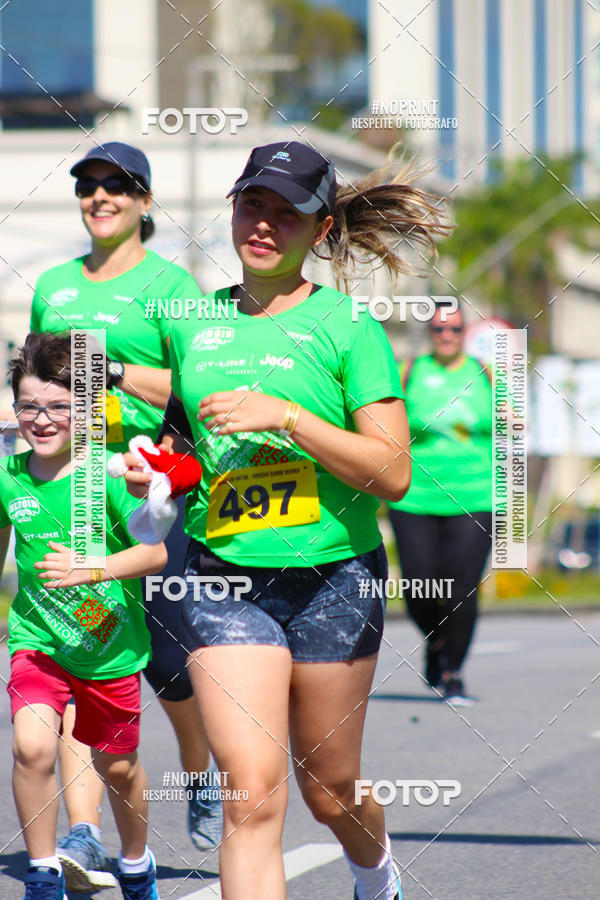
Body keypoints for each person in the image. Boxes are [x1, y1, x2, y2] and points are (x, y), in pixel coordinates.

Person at [123, 141, 450, 900]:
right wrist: (158, 478)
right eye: (252, 205)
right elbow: (183, 458)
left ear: (321, 230)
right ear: (232, 208)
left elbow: (393, 472)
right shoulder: (191, 327)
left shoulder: (348, 328)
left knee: (328, 789)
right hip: (223, 583)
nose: (264, 225)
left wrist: (291, 418)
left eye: (287, 213)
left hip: (335, 580)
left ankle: (375, 869)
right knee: (253, 794)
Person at [28, 141, 221, 890]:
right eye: (88, 186)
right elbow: (42, 378)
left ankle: (200, 773)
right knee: (82, 658)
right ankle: (84, 829)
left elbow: (199, 381)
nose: (99, 197)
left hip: (157, 493)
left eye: (117, 186)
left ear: (144, 202)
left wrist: (108, 368)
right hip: (79, 492)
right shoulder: (53, 285)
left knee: (171, 671)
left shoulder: (173, 287)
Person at [1, 331, 165, 900]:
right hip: (36, 641)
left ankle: (137, 863)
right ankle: (44, 871)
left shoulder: (109, 475)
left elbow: (155, 553)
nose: (41, 420)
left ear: (89, 413)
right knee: (32, 748)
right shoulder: (9, 477)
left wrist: (91, 567)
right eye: (29, 406)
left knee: (118, 768)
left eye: (59, 407)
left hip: (110, 650)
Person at [388, 302, 493, 705]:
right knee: (419, 585)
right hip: (415, 496)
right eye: (438, 330)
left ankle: (452, 672)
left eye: (453, 330)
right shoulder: (410, 371)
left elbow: (517, 426)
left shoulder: (486, 373)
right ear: (429, 334)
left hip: (475, 495)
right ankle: (434, 641)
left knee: (462, 588)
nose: (446, 337)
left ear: (464, 332)